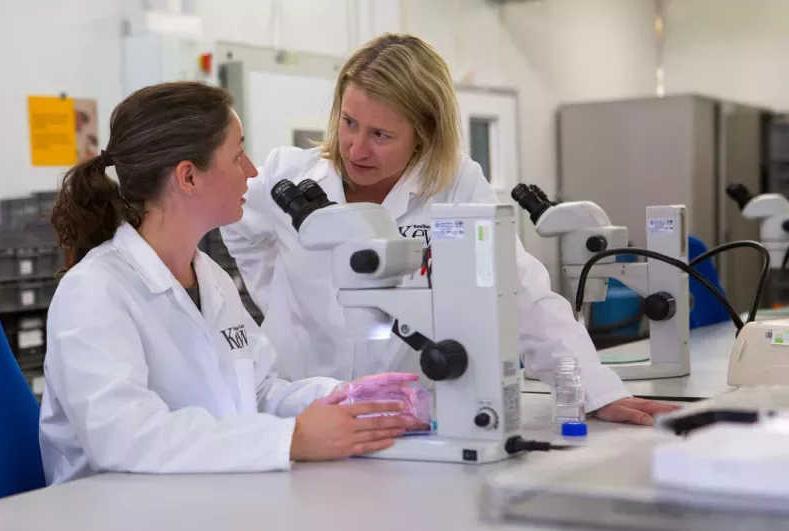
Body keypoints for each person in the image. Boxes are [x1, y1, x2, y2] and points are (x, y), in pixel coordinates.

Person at [220, 33, 677, 426]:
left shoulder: (456, 186)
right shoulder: (285, 175)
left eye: (381, 135)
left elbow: (516, 290)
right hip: (304, 409)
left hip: (410, 411)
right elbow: (240, 232)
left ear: (424, 133)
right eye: (349, 123)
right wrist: (278, 303)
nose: (357, 148)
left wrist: (596, 391)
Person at [39, 82, 418, 485]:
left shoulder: (210, 278)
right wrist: (292, 440)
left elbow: (258, 392)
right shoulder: (96, 291)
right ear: (188, 177)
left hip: (206, 498)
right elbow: (123, 438)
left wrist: (346, 396)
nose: (252, 171)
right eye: (238, 155)